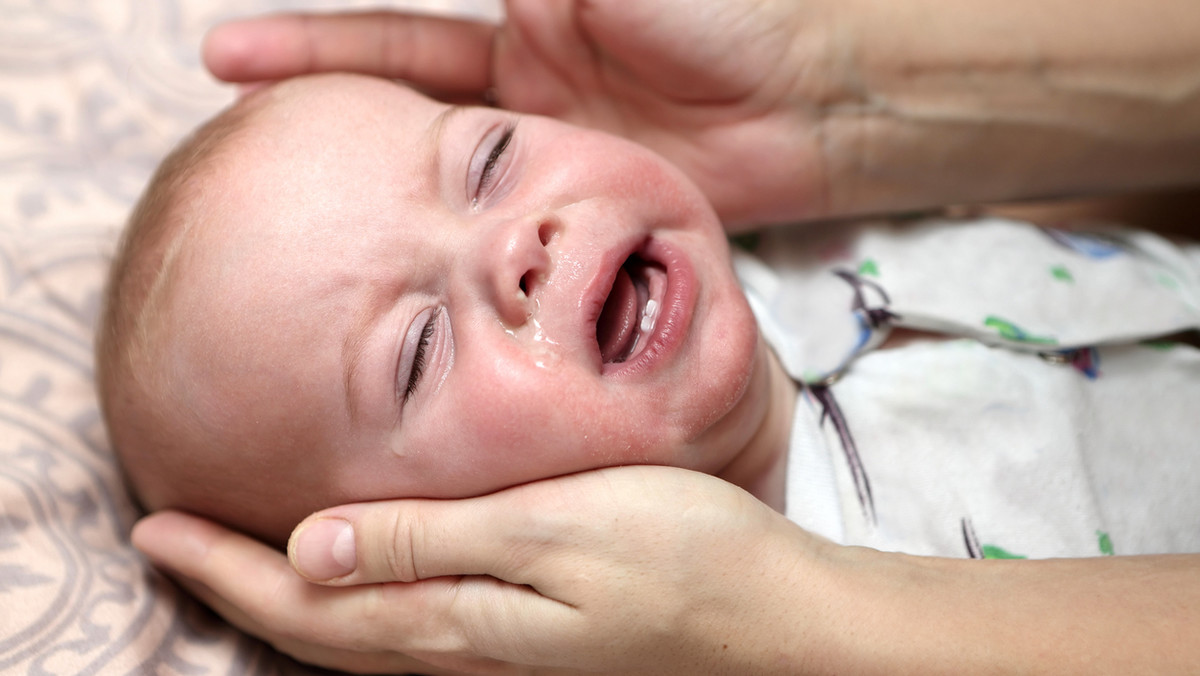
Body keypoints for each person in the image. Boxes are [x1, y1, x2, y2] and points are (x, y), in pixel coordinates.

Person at [125, 0, 1200, 673]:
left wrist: (845, 89)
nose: (516, 248)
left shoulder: (820, 210)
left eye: (491, 159)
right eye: (416, 352)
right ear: (430, 556)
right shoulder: (787, 626)